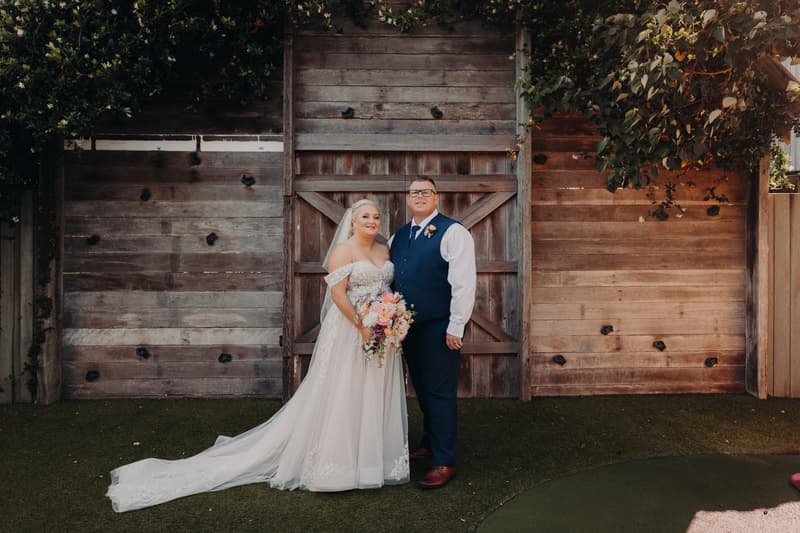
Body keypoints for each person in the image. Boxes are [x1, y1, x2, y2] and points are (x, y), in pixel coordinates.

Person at [106, 199, 409, 512]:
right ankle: (338, 465)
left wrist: (388, 318)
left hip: (380, 331)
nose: (372, 221)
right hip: (350, 330)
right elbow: (337, 294)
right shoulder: (344, 250)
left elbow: (386, 289)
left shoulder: (384, 251)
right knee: (343, 391)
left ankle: (372, 463)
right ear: (353, 221)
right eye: (365, 217)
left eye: (375, 216)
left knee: (371, 391)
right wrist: (361, 325)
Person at [389, 177, 476, 489]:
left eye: (426, 191)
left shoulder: (454, 232)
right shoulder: (398, 236)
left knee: (439, 392)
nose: (420, 196)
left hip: (440, 328)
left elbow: (464, 283)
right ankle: (428, 442)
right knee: (423, 390)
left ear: (436, 197)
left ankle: (444, 460)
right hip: (406, 328)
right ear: (407, 198)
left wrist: (456, 325)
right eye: (414, 192)